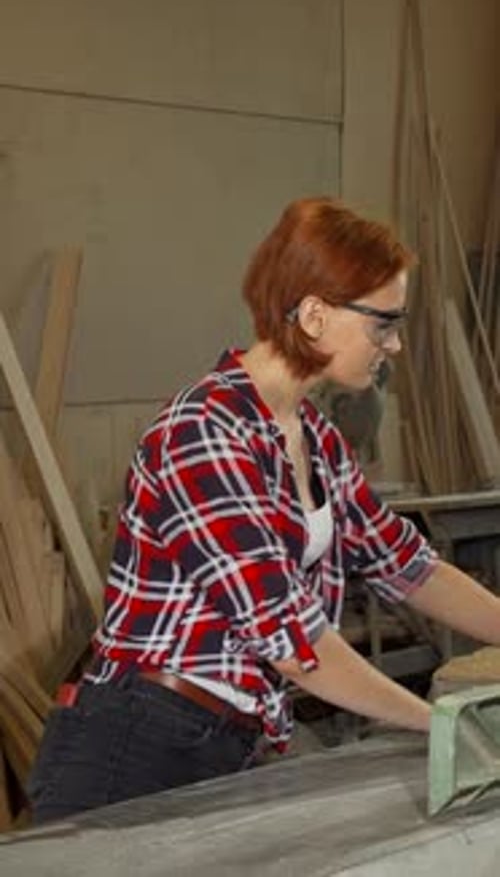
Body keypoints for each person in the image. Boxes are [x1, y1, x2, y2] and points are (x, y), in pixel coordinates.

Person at [28, 197, 500, 824]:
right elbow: (292, 640)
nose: (397, 345)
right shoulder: (202, 433)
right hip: (136, 746)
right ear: (314, 315)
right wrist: (442, 724)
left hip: (232, 737)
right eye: (384, 324)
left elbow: (410, 567)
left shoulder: (318, 440)